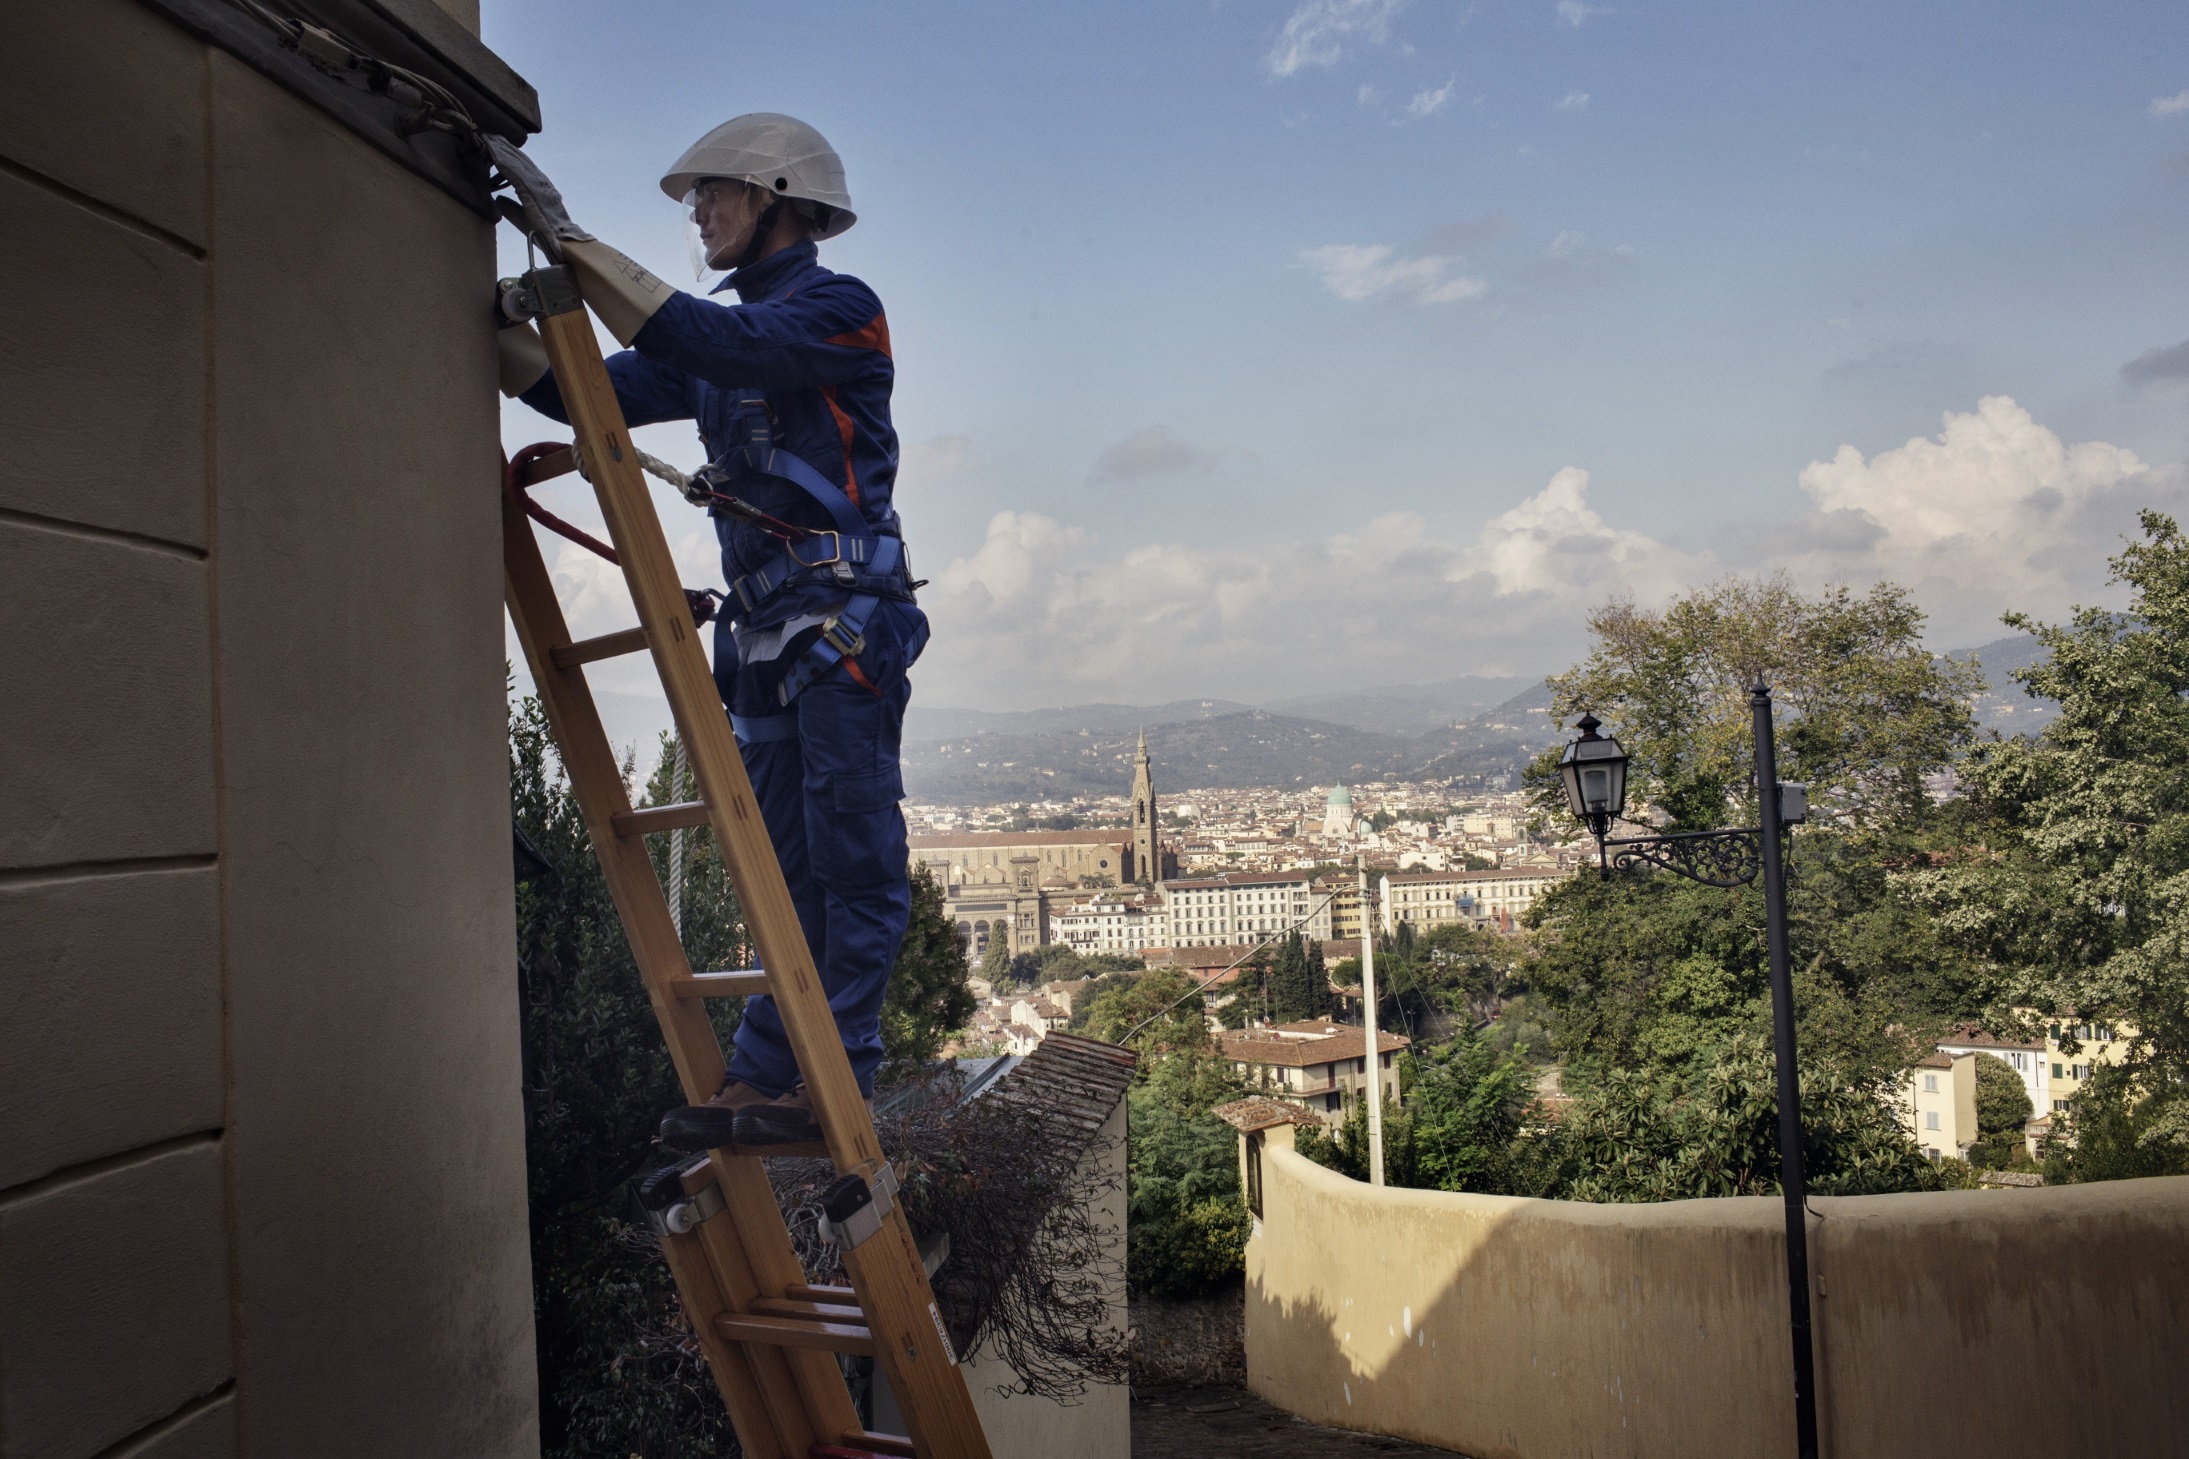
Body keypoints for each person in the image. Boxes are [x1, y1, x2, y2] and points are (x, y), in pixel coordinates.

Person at [491, 116, 922, 1148]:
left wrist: (575, 248)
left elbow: (716, 339)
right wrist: (489, 318)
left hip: (841, 627)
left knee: (849, 858)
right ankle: (770, 1074)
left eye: (713, 193)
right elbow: (574, 390)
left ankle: (838, 1075)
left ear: (774, 193)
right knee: (782, 873)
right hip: (770, 639)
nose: (698, 212)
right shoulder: (707, 347)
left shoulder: (838, 311)